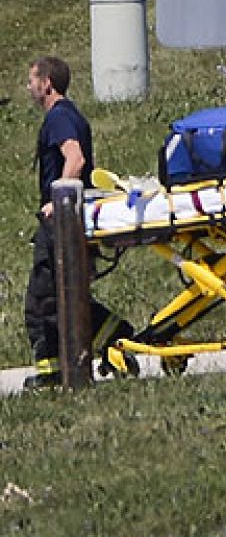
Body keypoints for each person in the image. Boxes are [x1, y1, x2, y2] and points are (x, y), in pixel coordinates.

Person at [22, 56, 125, 389]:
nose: (28, 88)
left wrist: (56, 201)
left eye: (31, 81)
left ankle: (56, 371)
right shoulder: (69, 115)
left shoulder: (59, 117)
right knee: (62, 296)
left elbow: (75, 158)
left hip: (60, 223)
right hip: (68, 220)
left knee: (42, 300)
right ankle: (111, 336)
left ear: (46, 83)